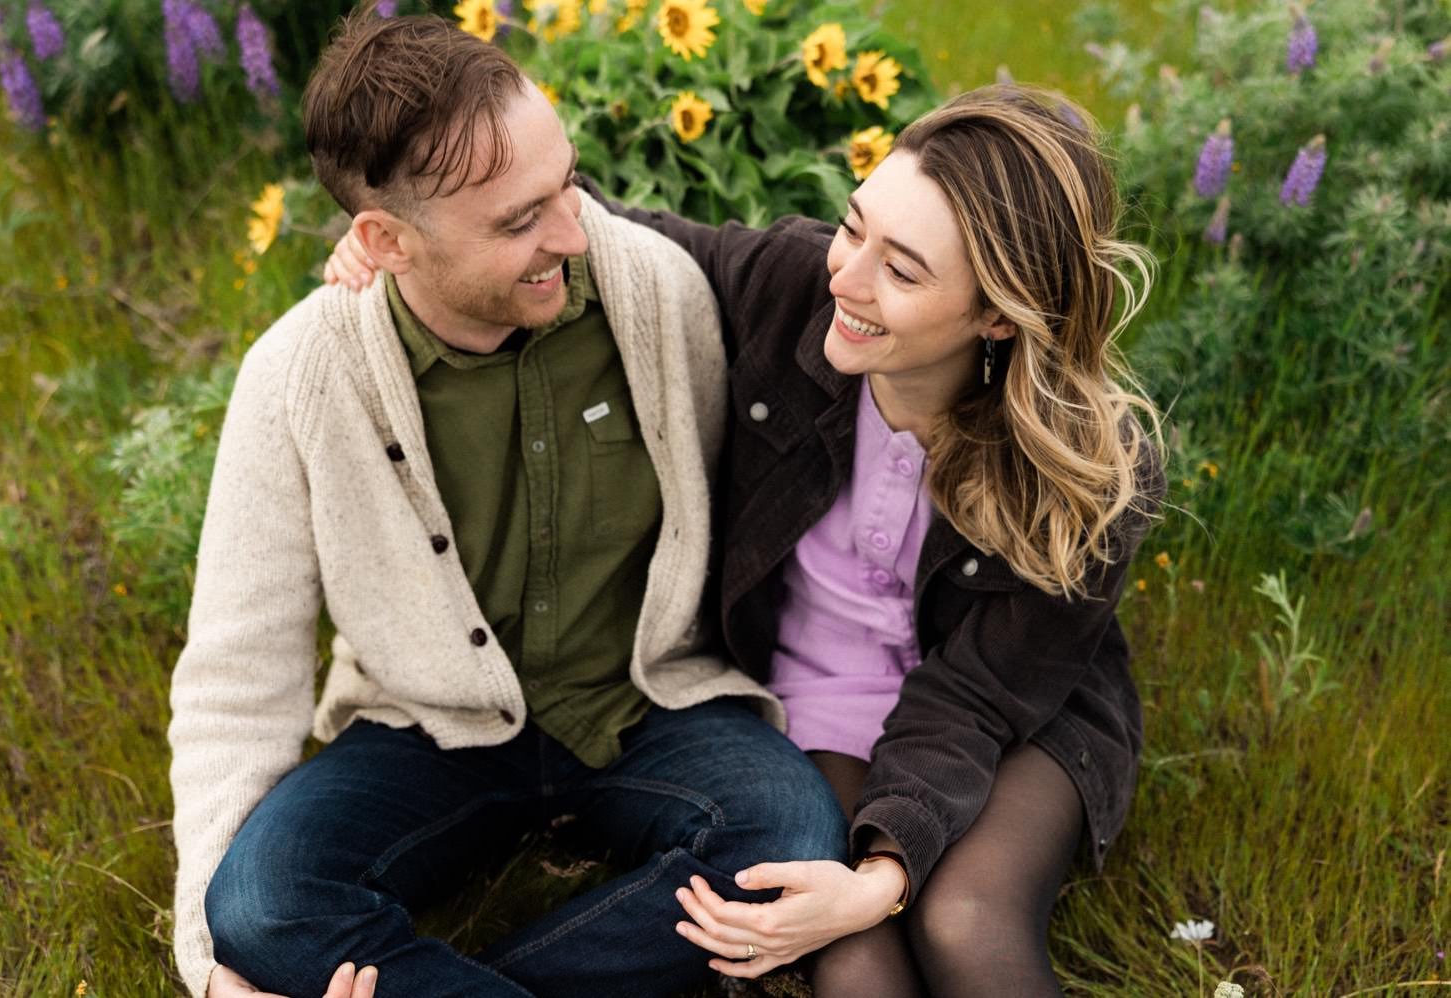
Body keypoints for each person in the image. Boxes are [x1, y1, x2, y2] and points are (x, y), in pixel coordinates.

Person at [330, 84, 1165, 995]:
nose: (847, 278)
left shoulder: (1089, 472)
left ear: (997, 316)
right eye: (855, 228)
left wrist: (884, 877)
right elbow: (609, 231)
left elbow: (977, 697)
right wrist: (420, 240)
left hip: (1013, 714)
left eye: (905, 270)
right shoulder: (791, 289)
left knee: (962, 918)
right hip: (819, 696)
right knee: (850, 961)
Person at [170, 10, 847, 998]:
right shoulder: (298, 374)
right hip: (425, 730)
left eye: (563, 183)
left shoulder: (655, 293)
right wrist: (220, 965)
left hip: (646, 703)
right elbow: (238, 672)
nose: (571, 232)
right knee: (261, 906)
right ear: (384, 239)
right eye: (520, 220)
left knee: (786, 842)